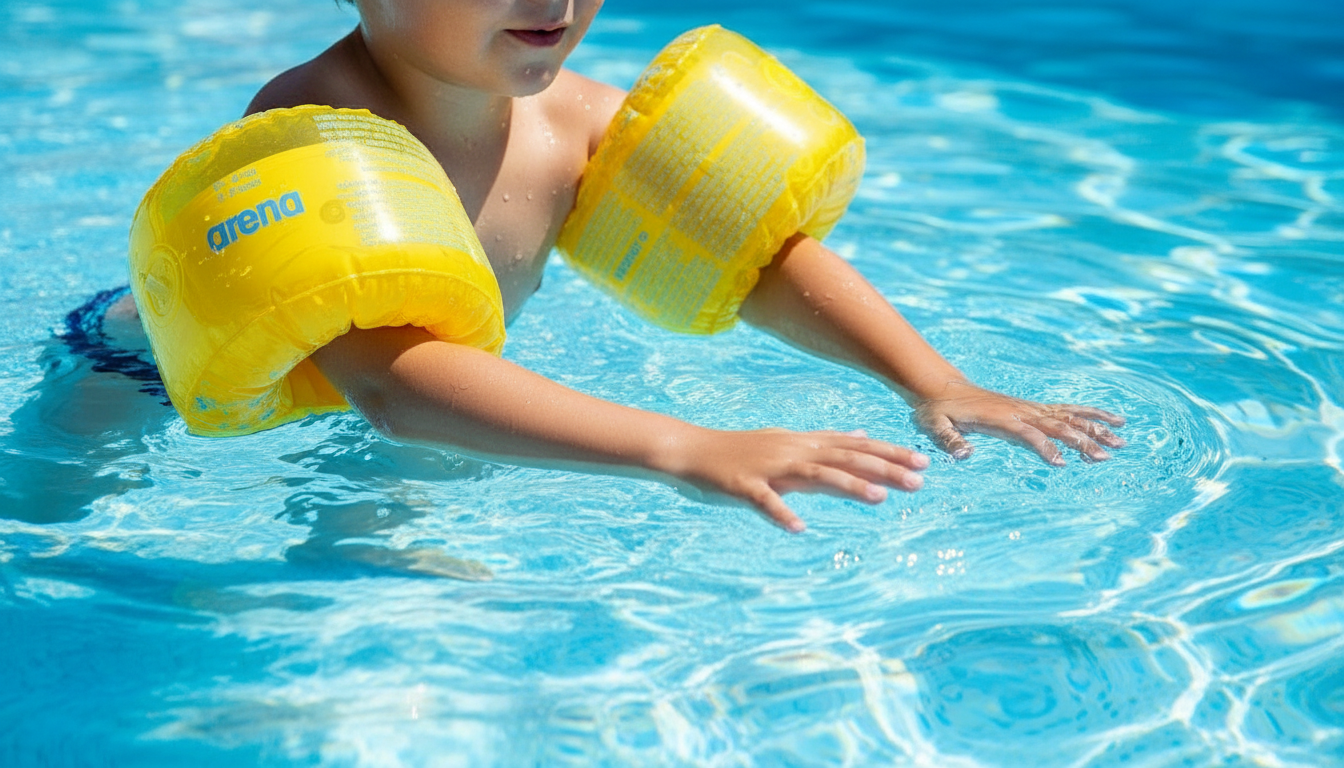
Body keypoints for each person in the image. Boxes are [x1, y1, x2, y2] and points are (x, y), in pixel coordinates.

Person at [141, 0, 1128, 532]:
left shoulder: (575, 120)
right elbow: (393, 383)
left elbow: (746, 260)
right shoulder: (314, 141)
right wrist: (684, 447)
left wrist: (932, 381)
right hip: (135, 383)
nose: (556, 2)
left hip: (404, 418)